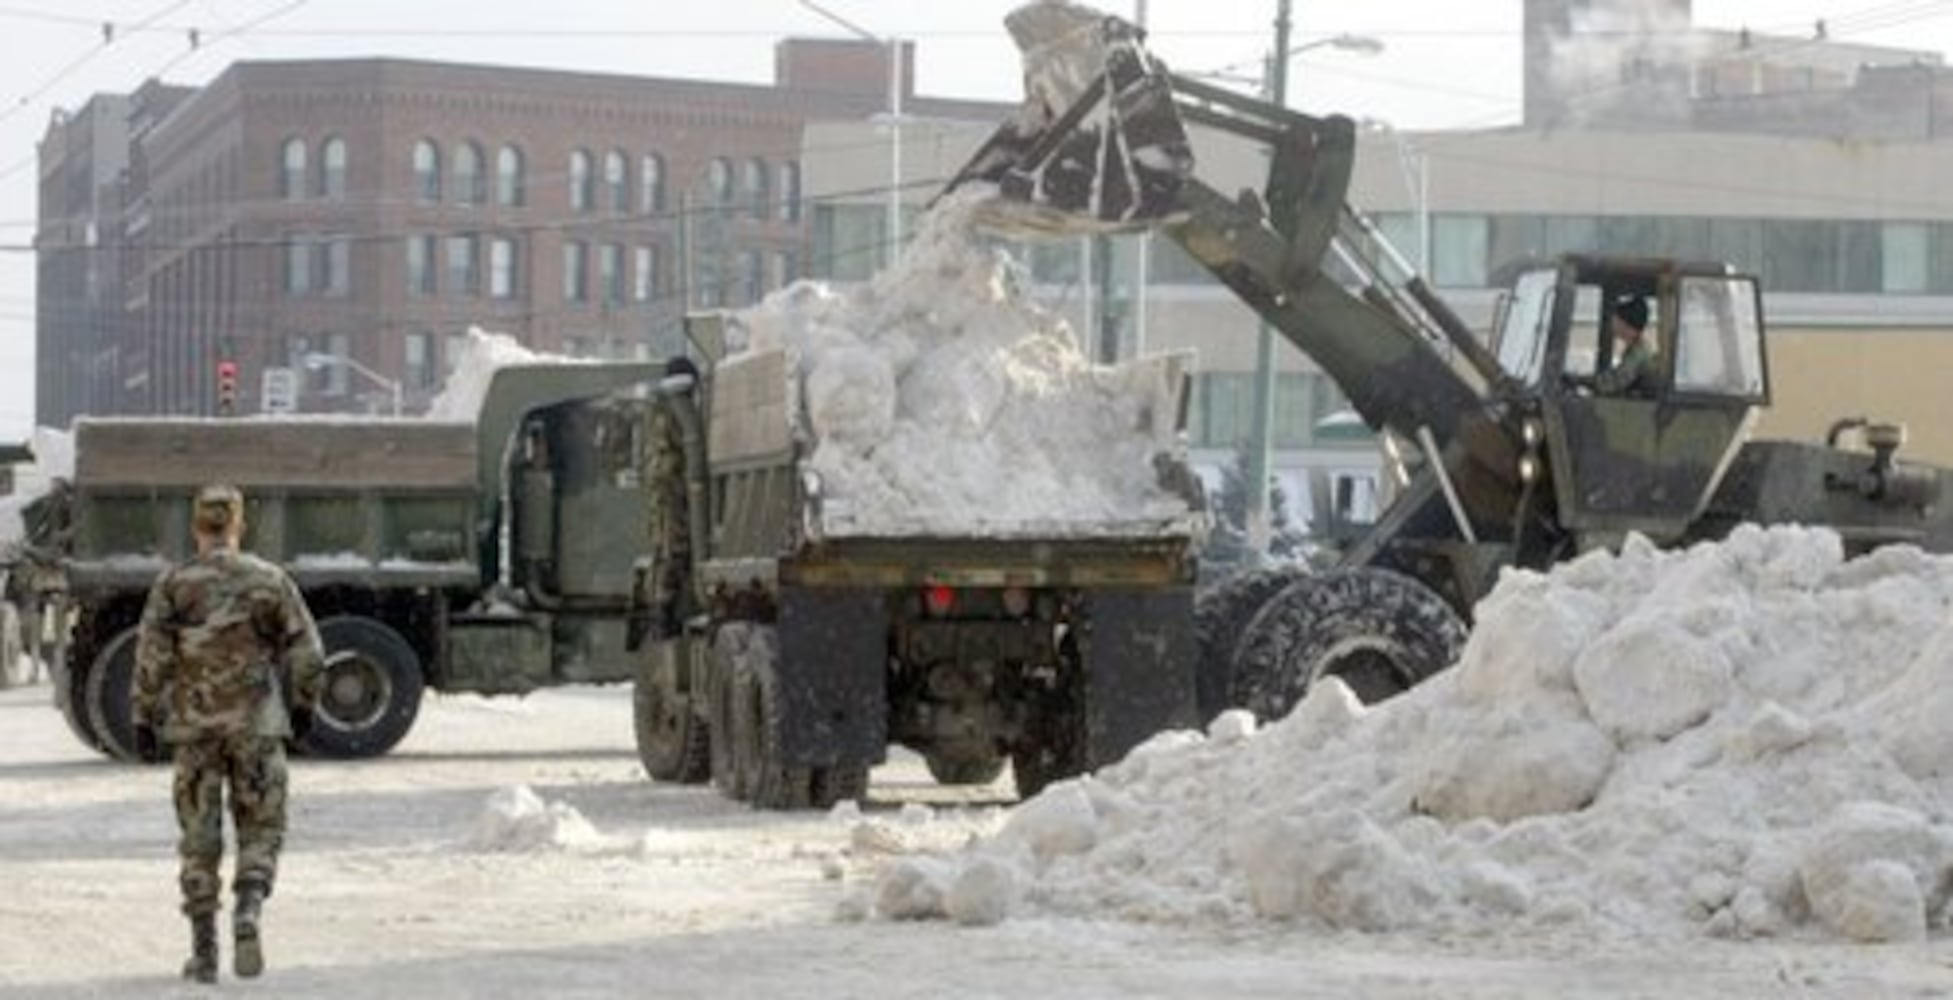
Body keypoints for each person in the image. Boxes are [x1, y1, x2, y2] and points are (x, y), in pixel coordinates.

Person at [131, 484, 324, 983]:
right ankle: (249, 912)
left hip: (194, 729)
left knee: (199, 837)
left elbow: (151, 656)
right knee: (261, 826)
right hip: (257, 724)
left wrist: (143, 716)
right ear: (239, 525)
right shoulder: (269, 580)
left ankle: (204, 951)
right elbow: (308, 652)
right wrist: (303, 707)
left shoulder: (174, 584)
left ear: (198, 526)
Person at [1594, 293, 1658, 395]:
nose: (1612, 324)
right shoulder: (1635, 349)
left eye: (1617, 320)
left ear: (1625, 324)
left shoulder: (1638, 353)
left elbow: (1615, 383)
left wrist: (1591, 383)